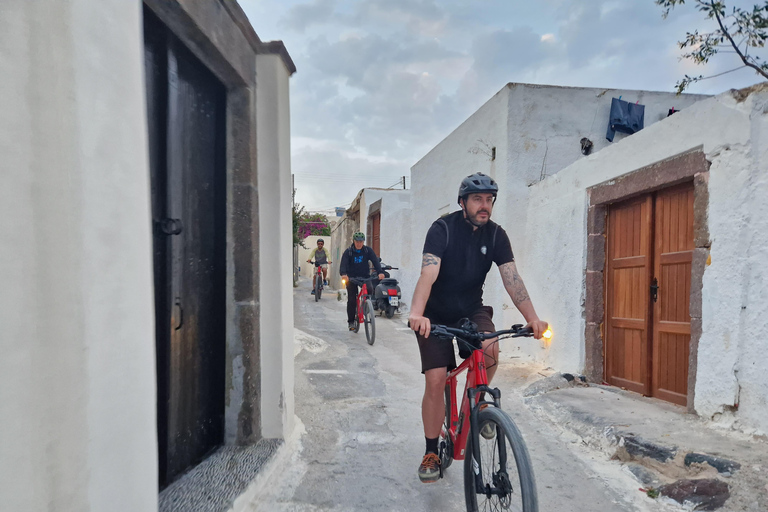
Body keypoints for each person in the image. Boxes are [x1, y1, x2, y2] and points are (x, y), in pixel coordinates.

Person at [408, 172, 549, 483]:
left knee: (490, 350)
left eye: (489, 200)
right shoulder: (442, 229)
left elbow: (512, 280)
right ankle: (432, 450)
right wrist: (417, 314)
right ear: (463, 203)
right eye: (477, 199)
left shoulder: (497, 235)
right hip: (435, 313)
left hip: (470, 309)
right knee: (435, 379)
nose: (484, 206)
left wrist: (533, 317)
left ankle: (479, 403)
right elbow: (427, 275)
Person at [339, 232, 385, 330]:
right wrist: (344, 274)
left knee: (370, 289)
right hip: (352, 278)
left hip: (365, 276)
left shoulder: (367, 251)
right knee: (351, 299)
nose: (359, 244)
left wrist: (380, 272)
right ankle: (351, 322)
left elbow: (375, 261)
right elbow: (343, 264)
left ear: (363, 242)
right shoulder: (349, 251)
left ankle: (366, 306)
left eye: (361, 242)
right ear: (354, 241)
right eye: (357, 242)